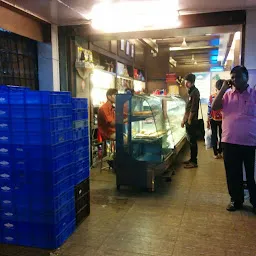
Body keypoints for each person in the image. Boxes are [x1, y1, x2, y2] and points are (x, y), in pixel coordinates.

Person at [212, 66, 256, 214]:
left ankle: (255, 201)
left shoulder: (254, 94)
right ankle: (236, 199)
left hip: (250, 142)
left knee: (251, 174)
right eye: (232, 77)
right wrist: (223, 88)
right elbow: (215, 107)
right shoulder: (227, 95)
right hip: (229, 141)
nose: (234, 80)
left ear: (246, 77)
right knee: (232, 173)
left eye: (238, 76)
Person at [181, 73, 200, 169]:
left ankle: (194, 162)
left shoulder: (195, 92)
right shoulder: (191, 92)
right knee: (190, 141)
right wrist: (183, 120)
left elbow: (193, 108)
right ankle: (191, 159)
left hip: (192, 121)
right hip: (189, 121)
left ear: (191, 82)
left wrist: (188, 120)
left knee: (193, 141)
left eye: (186, 82)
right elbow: (188, 108)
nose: (185, 83)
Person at [207, 79, 224, 159]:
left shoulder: (212, 96)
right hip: (223, 119)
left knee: (214, 135)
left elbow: (209, 109)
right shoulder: (226, 96)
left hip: (213, 119)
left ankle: (215, 153)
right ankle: (220, 151)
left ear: (216, 87)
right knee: (222, 136)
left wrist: (208, 120)